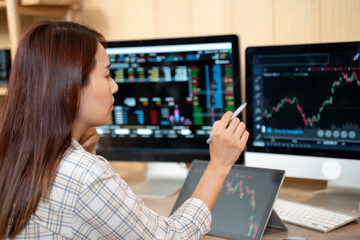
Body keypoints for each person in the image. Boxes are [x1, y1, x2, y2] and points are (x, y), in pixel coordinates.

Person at [0, 21, 249, 239]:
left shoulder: (15, 156)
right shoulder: (86, 175)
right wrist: (219, 165)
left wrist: (88, 156)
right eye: (107, 75)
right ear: (71, 87)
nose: (115, 87)